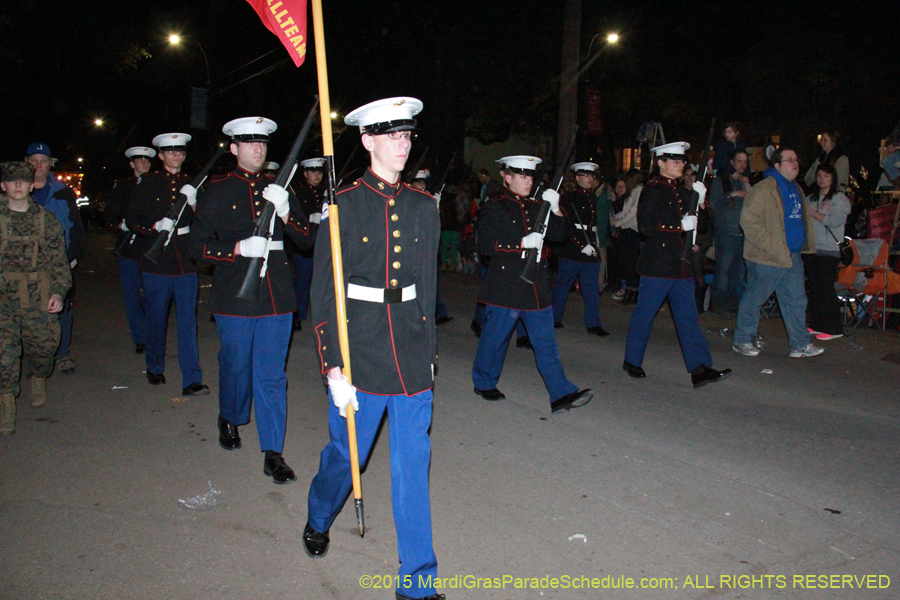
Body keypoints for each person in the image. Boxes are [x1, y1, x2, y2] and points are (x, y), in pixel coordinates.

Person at [303, 97, 445, 600]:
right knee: (347, 457)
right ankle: (319, 514)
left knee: (411, 470)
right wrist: (333, 368)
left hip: (409, 353)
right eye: (392, 136)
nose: (403, 144)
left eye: (407, 136)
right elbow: (322, 295)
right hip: (359, 351)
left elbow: (427, 288)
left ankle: (417, 583)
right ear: (367, 141)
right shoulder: (342, 206)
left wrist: (428, 352)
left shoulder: (424, 207)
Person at [189, 116, 313, 484]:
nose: (258, 149)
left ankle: (272, 451)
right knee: (235, 364)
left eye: (262, 143)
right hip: (234, 294)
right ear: (234, 148)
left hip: (276, 295)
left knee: (272, 375)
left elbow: (306, 240)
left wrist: (287, 209)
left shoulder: (280, 187)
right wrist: (238, 248)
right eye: (249, 143)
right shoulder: (219, 188)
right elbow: (197, 245)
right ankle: (230, 414)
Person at [471, 154, 593, 412]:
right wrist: (521, 244)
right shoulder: (495, 204)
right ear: (507, 177)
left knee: (546, 343)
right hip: (505, 284)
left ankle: (561, 393)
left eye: (531, 176)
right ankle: (484, 381)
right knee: (495, 339)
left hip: (535, 285)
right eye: (523, 176)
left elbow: (560, 235)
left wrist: (557, 208)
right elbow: (485, 245)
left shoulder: (539, 204)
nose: (528, 181)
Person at [621, 143, 732, 389]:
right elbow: (647, 226)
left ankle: (699, 368)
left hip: (681, 266)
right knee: (645, 315)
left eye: (682, 160)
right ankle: (632, 360)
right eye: (675, 160)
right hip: (658, 265)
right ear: (660, 162)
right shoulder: (652, 190)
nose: (681, 164)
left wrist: (701, 201)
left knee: (688, 318)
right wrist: (680, 225)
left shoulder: (683, 192)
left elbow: (701, 227)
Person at [126, 133, 209, 394]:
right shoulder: (149, 182)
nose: (177, 156)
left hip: (185, 261)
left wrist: (195, 202)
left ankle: (192, 378)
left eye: (180, 152)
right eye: (170, 151)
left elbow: (208, 220)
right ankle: (154, 366)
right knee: (156, 318)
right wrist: (153, 226)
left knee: (187, 322)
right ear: (160, 155)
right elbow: (131, 218)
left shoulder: (192, 182)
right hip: (157, 261)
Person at [0, 162, 72, 436]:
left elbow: (58, 262)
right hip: (3, 296)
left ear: (32, 186)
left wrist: (58, 292)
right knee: (4, 355)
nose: (18, 185)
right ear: (3, 186)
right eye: (11, 181)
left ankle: (40, 375)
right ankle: (6, 401)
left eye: (23, 181)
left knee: (43, 347)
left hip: (37, 294)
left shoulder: (46, 220)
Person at [732, 147, 823, 358]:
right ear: (777, 165)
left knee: (796, 300)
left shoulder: (796, 188)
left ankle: (799, 344)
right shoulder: (764, 188)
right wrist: (770, 245)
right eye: (789, 160)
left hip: (791, 255)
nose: (795, 163)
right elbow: (748, 220)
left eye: (796, 159)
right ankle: (743, 340)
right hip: (768, 257)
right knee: (755, 298)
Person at [25, 143, 83, 375]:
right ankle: (38, 359)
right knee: (29, 313)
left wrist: (69, 258)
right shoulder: (17, 191)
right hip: (24, 264)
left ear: (51, 164)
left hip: (57, 262)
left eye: (44, 161)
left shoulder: (62, 192)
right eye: (34, 160)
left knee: (61, 309)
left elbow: (75, 228)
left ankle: (62, 355)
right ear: (26, 162)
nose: (39, 166)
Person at [105, 146, 155, 354]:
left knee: (153, 294)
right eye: (140, 160)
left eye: (147, 160)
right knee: (133, 295)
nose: (144, 163)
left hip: (151, 247)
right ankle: (140, 337)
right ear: (132, 164)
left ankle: (153, 333)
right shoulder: (123, 187)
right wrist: (120, 225)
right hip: (129, 248)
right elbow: (109, 215)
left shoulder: (156, 185)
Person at [551, 162, 608, 336]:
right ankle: (554, 318)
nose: (590, 178)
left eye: (592, 176)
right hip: (572, 248)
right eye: (586, 175)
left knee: (591, 288)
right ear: (577, 177)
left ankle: (593, 324)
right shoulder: (569, 197)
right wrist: (582, 246)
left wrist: (593, 244)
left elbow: (591, 225)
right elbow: (567, 225)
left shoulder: (591, 197)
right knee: (563, 285)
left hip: (590, 246)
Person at [803, 163, 851, 341]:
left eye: (826, 175)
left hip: (828, 249)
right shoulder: (811, 198)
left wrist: (813, 213)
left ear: (833, 178)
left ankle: (833, 327)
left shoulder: (839, 198)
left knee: (825, 288)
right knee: (814, 288)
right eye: (820, 175)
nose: (822, 179)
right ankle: (817, 324)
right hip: (811, 248)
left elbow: (835, 220)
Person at [708, 150, 751, 312]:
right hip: (727, 232)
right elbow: (714, 203)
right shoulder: (721, 181)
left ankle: (734, 305)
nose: (742, 165)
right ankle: (719, 305)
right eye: (739, 161)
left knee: (738, 273)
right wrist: (734, 194)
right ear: (732, 162)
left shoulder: (743, 182)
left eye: (745, 162)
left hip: (742, 233)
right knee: (723, 271)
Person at [289, 157, 326, 331]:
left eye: (319, 171)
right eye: (313, 171)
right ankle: (297, 314)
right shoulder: (297, 193)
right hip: (304, 243)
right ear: (305, 173)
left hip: (323, 242)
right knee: (302, 280)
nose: (317, 174)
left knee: (323, 281)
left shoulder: (326, 192)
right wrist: (308, 219)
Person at [611, 169, 644, 304]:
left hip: (633, 230)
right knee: (626, 262)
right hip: (627, 229)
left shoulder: (640, 191)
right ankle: (630, 290)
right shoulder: (632, 192)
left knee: (631, 262)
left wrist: (619, 222)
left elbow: (633, 212)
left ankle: (633, 291)